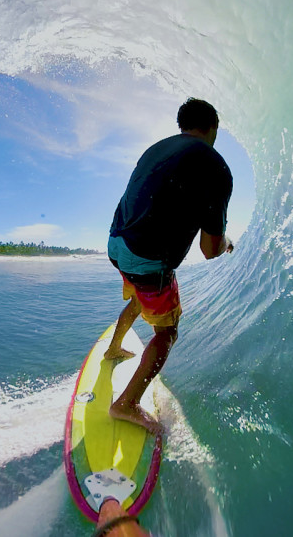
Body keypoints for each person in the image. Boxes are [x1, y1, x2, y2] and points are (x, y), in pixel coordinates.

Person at [105, 97, 234, 434]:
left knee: (140, 296)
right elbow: (210, 249)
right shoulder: (214, 165)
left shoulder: (155, 150)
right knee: (167, 332)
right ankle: (126, 404)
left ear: (183, 125)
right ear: (213, 128)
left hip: (117, 243)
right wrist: (226, 242)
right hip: (147, 259)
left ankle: (114, 347)